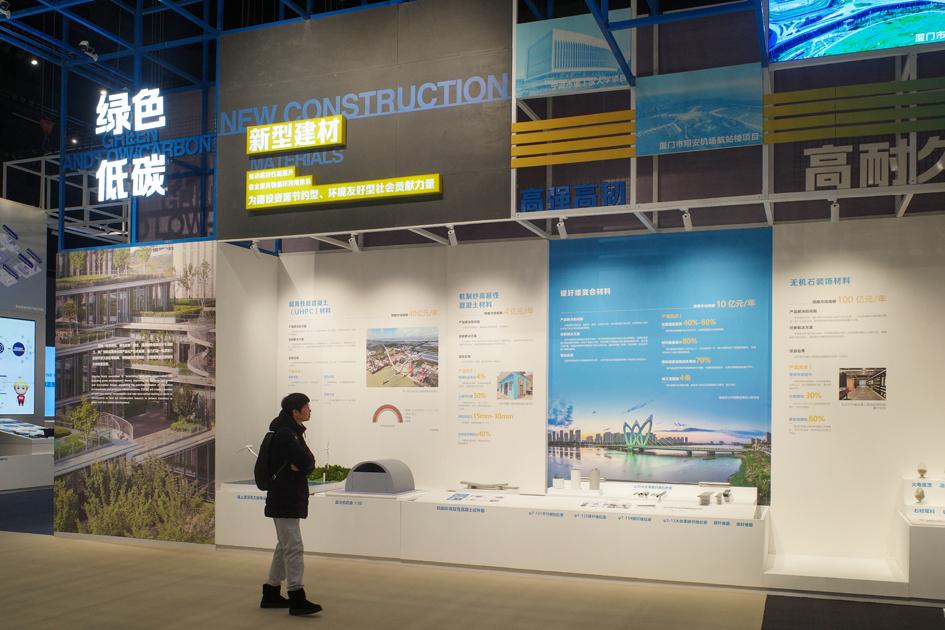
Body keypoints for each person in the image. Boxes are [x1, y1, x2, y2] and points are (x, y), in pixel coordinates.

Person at [260, 393, 321, 616]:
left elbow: (307, 462)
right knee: (294, 546)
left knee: (284, 545)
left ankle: (271, 592)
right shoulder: (287, 434)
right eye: (306, 407)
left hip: (286, 496)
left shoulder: (291, 432)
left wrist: (304, 465)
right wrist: (303, 465)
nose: (310, 410)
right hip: (285, 496)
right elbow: (306, 461)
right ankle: (296, 596)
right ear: (295, 412)